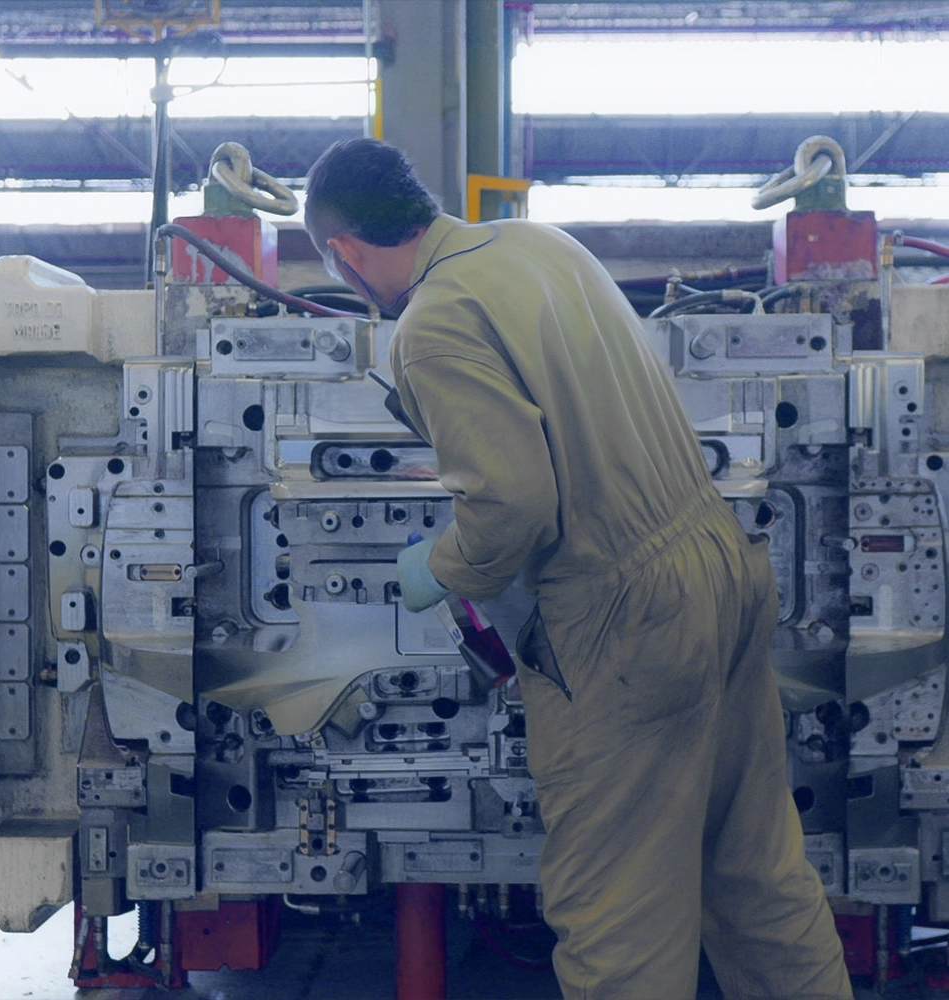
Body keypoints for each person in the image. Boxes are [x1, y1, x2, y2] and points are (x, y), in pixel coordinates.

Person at [303, 137, 852, 1000]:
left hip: (624, 624)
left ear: (343, 252)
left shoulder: (431, 324)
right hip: (722, 566)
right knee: (758, 879)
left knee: (619, 924)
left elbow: (513, 506)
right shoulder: (540, 245)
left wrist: (439, 566)